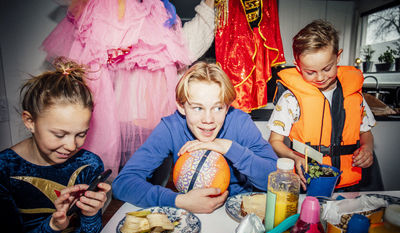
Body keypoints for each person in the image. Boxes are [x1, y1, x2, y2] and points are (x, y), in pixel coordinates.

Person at [41, 0, 216, 179]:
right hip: (106, 131)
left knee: (149, 190)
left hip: (155, 130)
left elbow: (188, 49)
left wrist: (209, 6)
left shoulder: (156, 14)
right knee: (106, 191)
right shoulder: (98, 14)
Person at [112, 61, 278, 213]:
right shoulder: (171, 127)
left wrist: (229, 148)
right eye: (198, 108)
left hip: (239, 211)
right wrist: (178, 201)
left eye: (218, 108)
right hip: (189, 209)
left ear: (227, 107)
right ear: (181, 106)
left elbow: (276, 181)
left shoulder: (240, 123)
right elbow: (123, 183)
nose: (208, 120)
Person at [0, 57, 111, 233]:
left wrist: (90, 216)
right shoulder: (5, 169)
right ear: (30, 121)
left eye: (81, 134)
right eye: (59, 135)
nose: (71, 146)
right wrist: (51, 227)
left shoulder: (89, 164)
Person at [268, 20, 381, 191]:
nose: (320, 77)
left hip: (348, 185)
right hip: (307, 181)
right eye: (310, 72)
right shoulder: (291, 99)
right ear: (298, 66)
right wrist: (295, 157)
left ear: (338, 57)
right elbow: (274, 142)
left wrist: (367, 148)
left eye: (327, 68)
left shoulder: (354, 96)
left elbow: (366, 133)